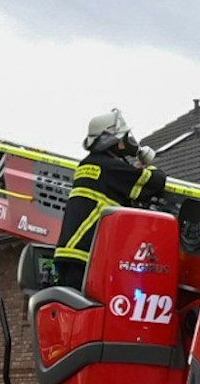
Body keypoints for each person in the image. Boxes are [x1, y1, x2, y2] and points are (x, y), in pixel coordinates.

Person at [53, 110, 167, 291]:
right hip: (86, 255)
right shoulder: (109, 166)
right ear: (114, 140)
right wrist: (149, 167)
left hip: (72, 253)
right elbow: (155, 181)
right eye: (124, 136)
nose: (128, 140)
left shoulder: (89, 164)